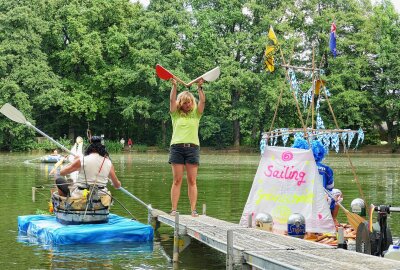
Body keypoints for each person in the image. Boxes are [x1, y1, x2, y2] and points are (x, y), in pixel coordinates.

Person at [168, 78, 205, 217]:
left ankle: (193, 210)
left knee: (192, 180)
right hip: (177, 148)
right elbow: (172, 101)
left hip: (193, 148)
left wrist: (200, 88)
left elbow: (202, 102)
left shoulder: (196, 114)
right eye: (185, 103)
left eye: (189, 102)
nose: (187, 105)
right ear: (181, 104)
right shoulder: (175, 114)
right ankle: (173, 209)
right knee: (177, 180)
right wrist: (174, 86)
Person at [292, 138, 341, 226]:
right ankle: (333, 219)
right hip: (321, 198)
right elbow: (330, 187)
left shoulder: (296, 167)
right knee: (338, 193)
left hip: (301, 197)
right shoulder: (326, 169)